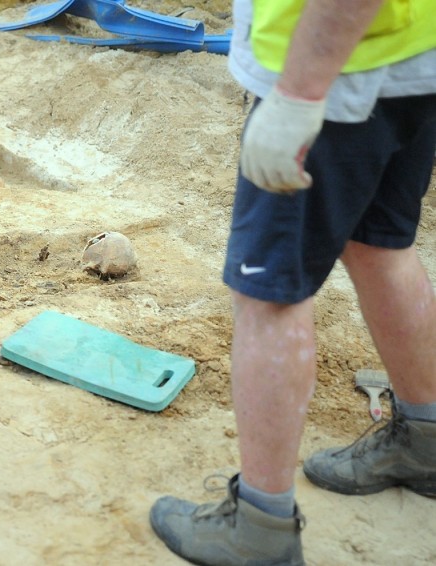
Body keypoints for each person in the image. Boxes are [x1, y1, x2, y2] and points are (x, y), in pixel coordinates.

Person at [149, 0, 436, 564]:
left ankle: (260, 525)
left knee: (268, 290)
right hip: (410, 53)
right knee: (380, 244)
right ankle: (426, 441)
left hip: (335, 73)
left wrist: (300, 94)